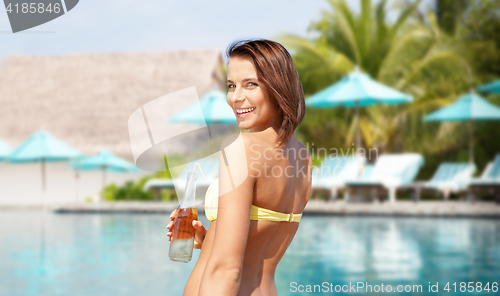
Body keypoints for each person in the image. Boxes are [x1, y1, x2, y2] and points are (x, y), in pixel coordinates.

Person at [166, 38, 312, 296]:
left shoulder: (242, 148)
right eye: (231, 85)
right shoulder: (303, 157)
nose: (235, 97)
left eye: (251, 85)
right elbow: (262, 242)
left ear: (279, 88)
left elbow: (227, 270)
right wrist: (208, 239)